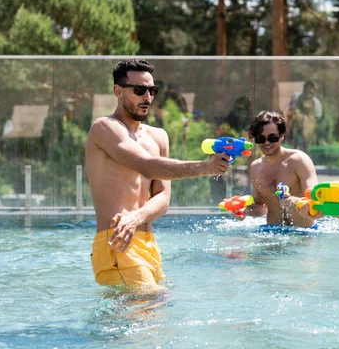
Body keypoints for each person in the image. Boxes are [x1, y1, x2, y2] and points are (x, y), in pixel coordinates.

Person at [85, 58, 230, 288]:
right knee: (150, 305)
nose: (148, 97)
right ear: (118, 91)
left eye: (152, 90)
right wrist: (205, 167)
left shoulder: (158, 137)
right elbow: (146, 165)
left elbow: (162, 198)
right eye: (140, 90)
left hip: (148, 245)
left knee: (155, 309)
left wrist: (136, 218)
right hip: (117, 242)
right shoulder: (104, 128)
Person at [231, 111, 320, 228]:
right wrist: (244, 210)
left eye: (272, 137)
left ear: (282, 135)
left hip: (305, 233)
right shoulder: (255, 167)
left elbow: (315, 200)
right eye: (260, 139)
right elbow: (261, 207)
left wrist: (294, 201)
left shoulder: (299, 160)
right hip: (272, 232)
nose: (266, 142)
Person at [286, 81, 322, 149]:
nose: (308, 95)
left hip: (309, 134)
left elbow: (318, 121)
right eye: (306, 91)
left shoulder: (317, 104)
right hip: (296, 133)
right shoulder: (296, 97)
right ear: (303, 90)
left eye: (311, 93)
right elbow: (289, 114)